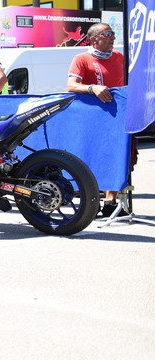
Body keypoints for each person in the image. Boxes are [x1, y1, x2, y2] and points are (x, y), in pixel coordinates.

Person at [67, 22, 128, 216]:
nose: (113, 37)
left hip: (117, 117)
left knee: (117, 155)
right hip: (92, 119)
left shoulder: (119, 57)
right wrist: (92, 88)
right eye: (107, 34)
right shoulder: (81, 58)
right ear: (94, 39)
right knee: (94, 156)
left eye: (113, 33)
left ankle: (111, 202)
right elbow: (71, 85)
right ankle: (91, 202)